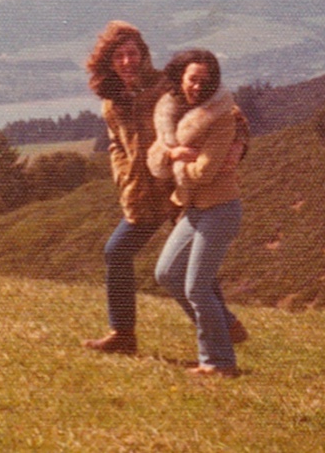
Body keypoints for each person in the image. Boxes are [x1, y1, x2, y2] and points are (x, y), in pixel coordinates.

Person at [148, 49, 249, 377]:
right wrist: (177, 153)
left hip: (220, 209)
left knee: (196, 287)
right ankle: (226, 326)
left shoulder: (222, 116)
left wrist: (173, 161)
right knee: (167, 273)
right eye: (193, 79)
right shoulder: (170, 112)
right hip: (193, 208)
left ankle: (218, 363)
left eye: (206, 81)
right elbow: (155, 160)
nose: (198, 87)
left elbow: (206, 170)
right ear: (181, 77)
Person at [82, 20, 177, 355]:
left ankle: (223, 328)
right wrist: (124, 177)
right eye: (118, 56)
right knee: (117, 251)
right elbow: (116, 145)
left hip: (181, 189)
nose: (127, 62)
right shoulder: (112, 101)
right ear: (108, 62)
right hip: (142, 194)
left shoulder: (168, 87)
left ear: (144, 54)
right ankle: (123, 335)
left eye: (132, 53)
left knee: (187, 262)